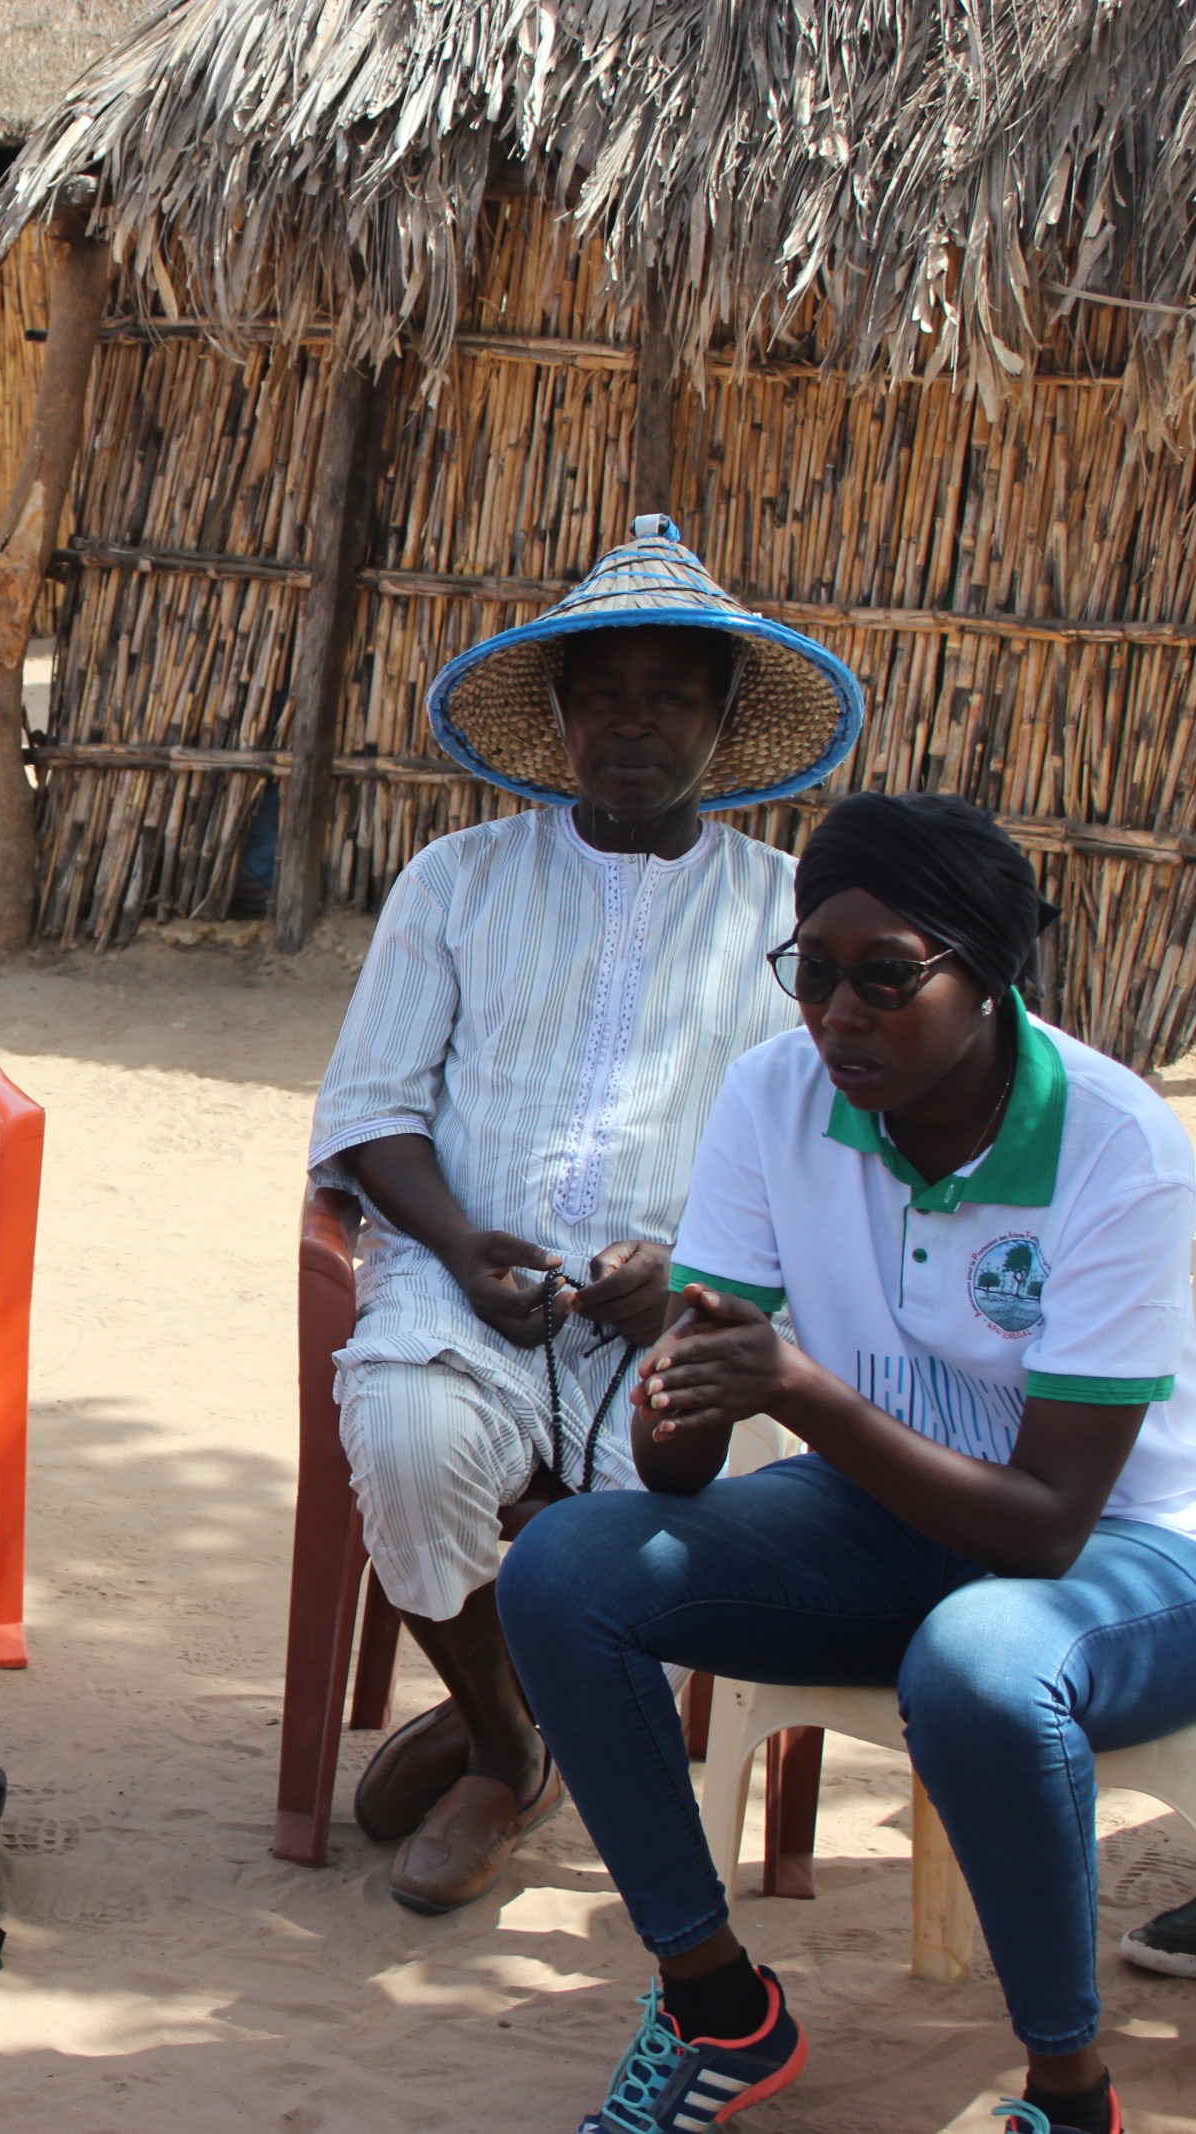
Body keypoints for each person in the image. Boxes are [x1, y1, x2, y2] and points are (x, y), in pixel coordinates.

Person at [507, 792, 1196, 2134]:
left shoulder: (1119, 1149)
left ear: (987, 974)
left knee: (981, 1659)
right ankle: (719, 2009)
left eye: (887, 977)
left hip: (1128, 1545)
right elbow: (680, 1472)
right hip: (881, 1511)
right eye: (813, 971)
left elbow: (1050, 1525)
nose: (837, 1014)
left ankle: (1069, 2089)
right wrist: (686, 1381)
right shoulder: (777, 1096)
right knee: (564, 1566)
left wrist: (801, 1390)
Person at [307, 515, 866, 1913]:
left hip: (686, 1317)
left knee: (663, 1535)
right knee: (409, 1429)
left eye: (668, 694)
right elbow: (372, 1108)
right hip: (470, 1291)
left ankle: (497, 1714)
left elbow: (831, 1160)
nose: (633, 722)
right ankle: (507, 1745)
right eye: (601, 692)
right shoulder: (457, 882)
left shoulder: (785, 916)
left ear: (720, 719)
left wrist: (695, 1268)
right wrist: (452, 1241)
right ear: (556, 713)